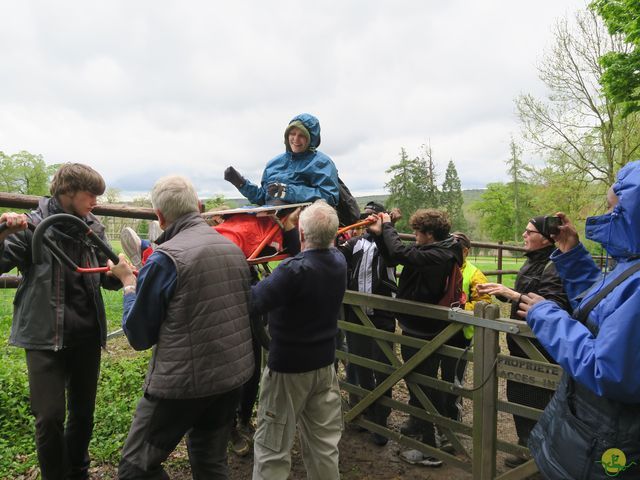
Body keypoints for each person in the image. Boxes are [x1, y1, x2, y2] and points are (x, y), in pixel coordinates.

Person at [108, 175, 255, 479]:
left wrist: (129, 283)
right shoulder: (233, 251)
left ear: (160, 218)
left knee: (135, 467)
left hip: (182, 385)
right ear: (199, 207)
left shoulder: (164, 259)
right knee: (210, 462)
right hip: (231, 377)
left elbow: (138, 335)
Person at [519, 161, 640, 479]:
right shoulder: (632, 265)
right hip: (588, 431)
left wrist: (546, 316)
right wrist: (571, 253)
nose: (608, 216)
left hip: (606, 448)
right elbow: (604, 306)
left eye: (616, 209)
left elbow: (610, 371)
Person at [0, 163, 120, 480]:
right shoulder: (32, 227)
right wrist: (3, 233)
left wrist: (119, 275)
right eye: (90, 194)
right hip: (44, 336)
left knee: (83, 414)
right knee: (49, 417)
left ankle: (78, 471)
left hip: (86, 334)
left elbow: (108, 280)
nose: (96, 200)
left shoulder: (92, 227)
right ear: (67, 192)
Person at [250, 200, 347, 480]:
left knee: (272, 447)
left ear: (303, 235)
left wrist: (244, 275)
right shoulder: (338, 261)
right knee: (324, 446)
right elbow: (306, 256)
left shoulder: (292, 271)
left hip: (288, 372)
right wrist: (291, 227)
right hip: (324, 367)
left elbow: (255, 301)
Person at [367, 208, 464, 468]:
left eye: (417, 232)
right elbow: (393, 258)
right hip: (421, 328)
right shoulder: (439, 249)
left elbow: (401, 253)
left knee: (423, 388)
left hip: (425, 330)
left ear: (429, 235)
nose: (413, 236)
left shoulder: (440, 255)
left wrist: (388, 226)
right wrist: (379, 236)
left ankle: (430, 450)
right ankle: (427, 434)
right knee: (420, 385)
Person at [476, 216, 569, 468]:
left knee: (541, 399)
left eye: (529, 232)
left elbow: (553, 306)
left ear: (546, 238)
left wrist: (512, 293)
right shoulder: (532, 262)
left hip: (541, 349)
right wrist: (503, 293)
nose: (523, 235)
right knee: (518, 394)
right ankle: (526, 447)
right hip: (521, 345)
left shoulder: (556, 265)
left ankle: (543, 459)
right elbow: (527, 295)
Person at [338, 201, 398, 447]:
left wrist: (386, 229)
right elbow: (335, 256)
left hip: (381, 317)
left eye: (372, 216)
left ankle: (381, 422)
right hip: (356, 316)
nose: (367, 220)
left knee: (383, 369)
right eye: (364, 216)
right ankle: (365, 413)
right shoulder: (353, 244)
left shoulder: (390, 245)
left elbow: (394, 256)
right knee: (360, 365)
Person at [224, 113, 340, 207]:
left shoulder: (322, 163)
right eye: (292, 133)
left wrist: (287, 192)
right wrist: (241, 184)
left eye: (302, 135)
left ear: (311, 139)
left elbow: (329, 197)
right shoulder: (273, 164)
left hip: (304, 221)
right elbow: (263, 198)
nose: (296, 139)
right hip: (271, 215)